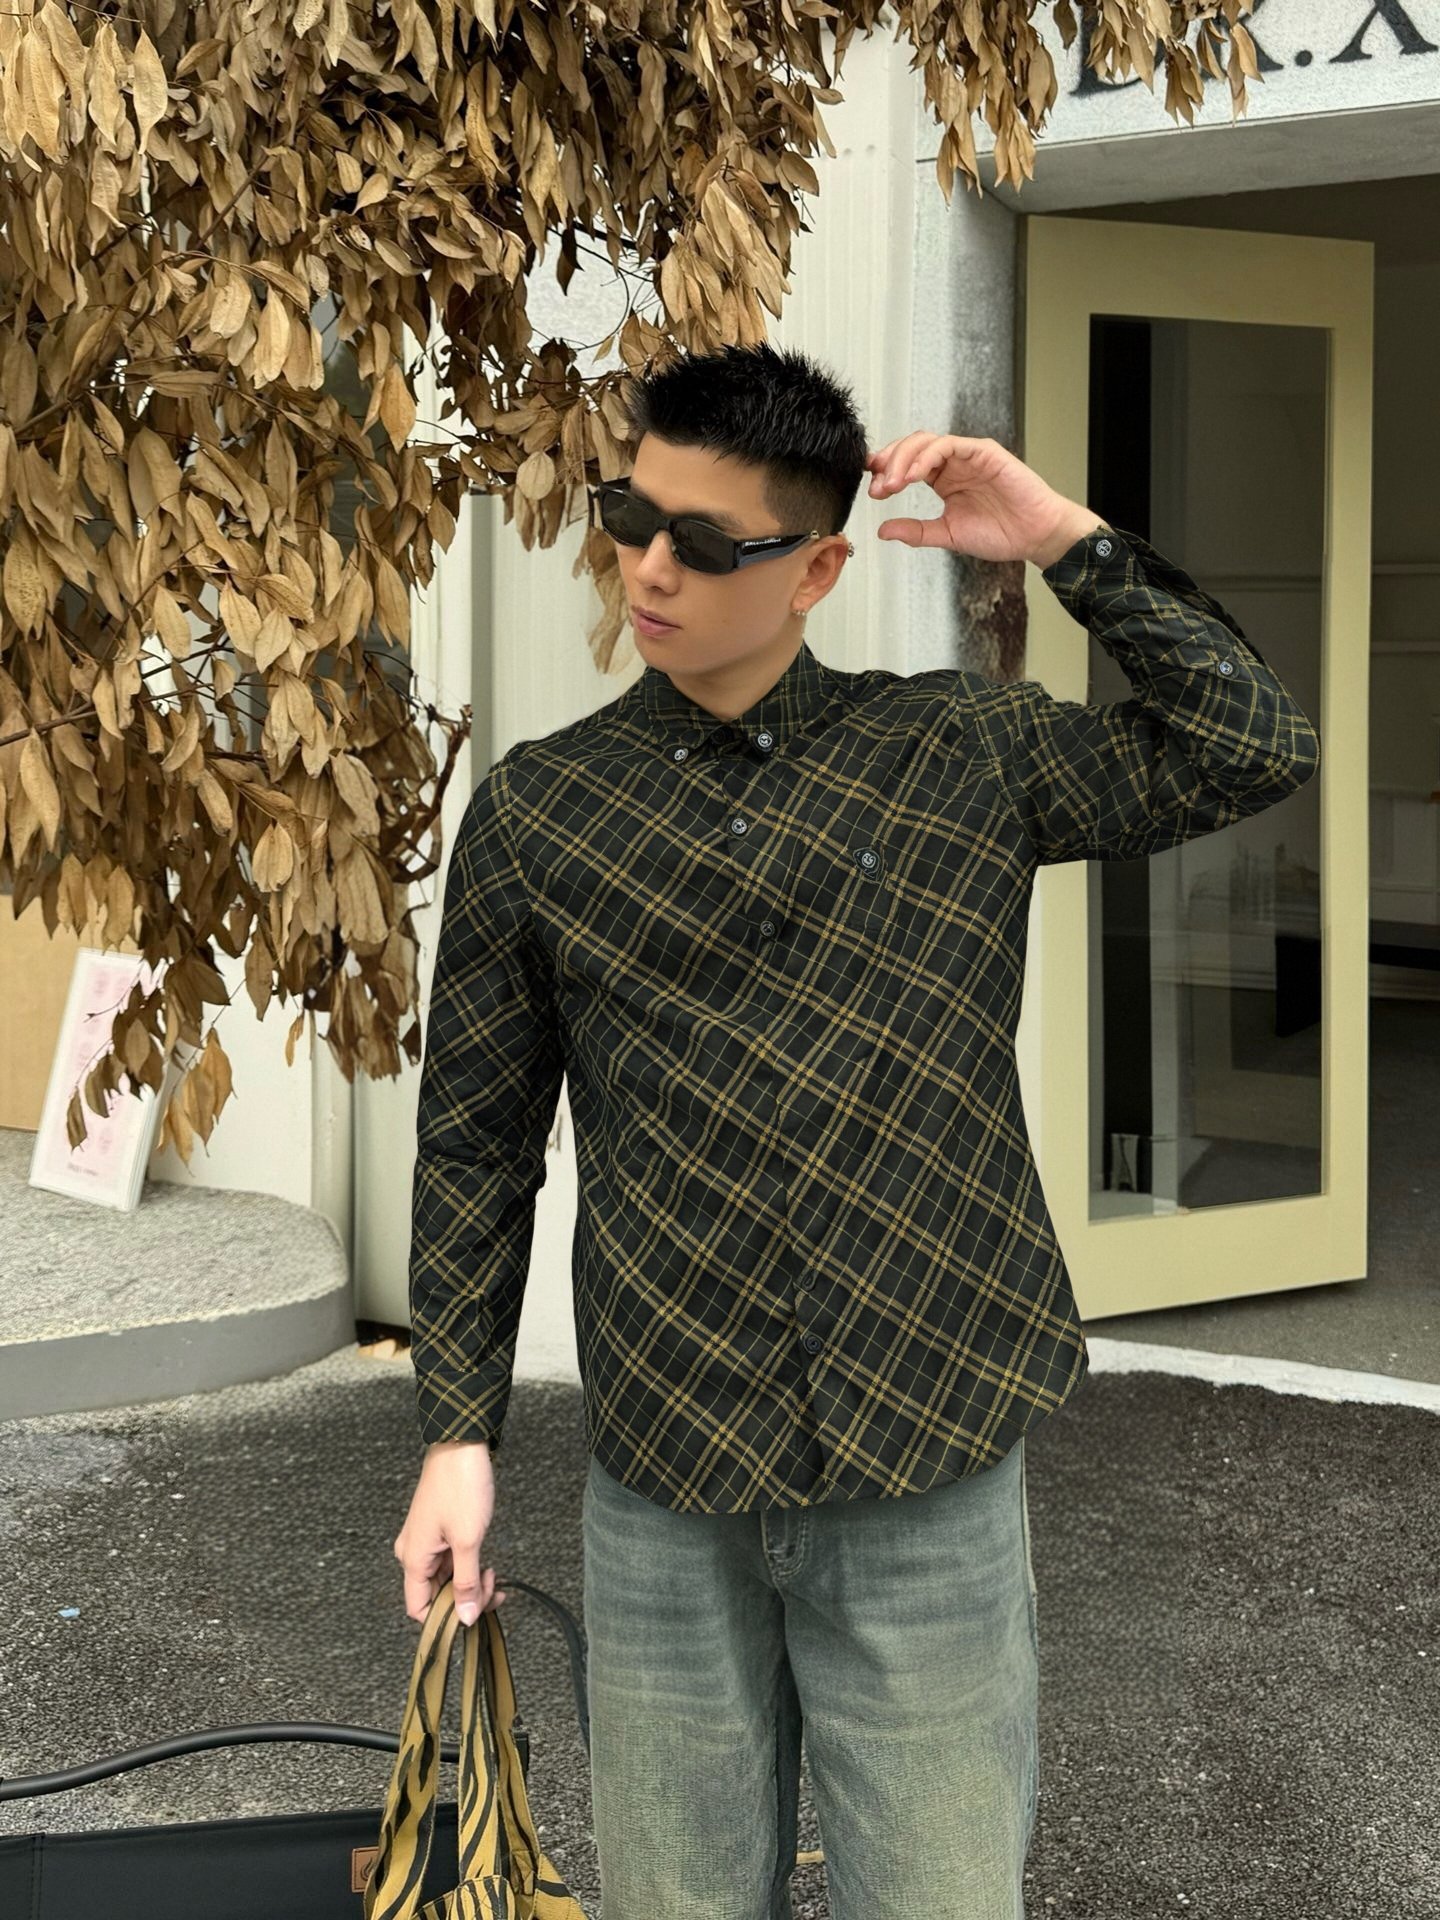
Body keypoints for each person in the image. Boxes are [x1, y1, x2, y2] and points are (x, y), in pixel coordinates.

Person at [393, 342, 1321, 1918]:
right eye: (631, 517)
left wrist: (1061, 540)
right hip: (668, 1472)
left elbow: (1251, 744)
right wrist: (457, 1429)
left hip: (927, 1458)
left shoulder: (960, 754)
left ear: (817, 569)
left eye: (704, 541)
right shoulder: (544, 813)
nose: (649, 567)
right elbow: (477, 1140)